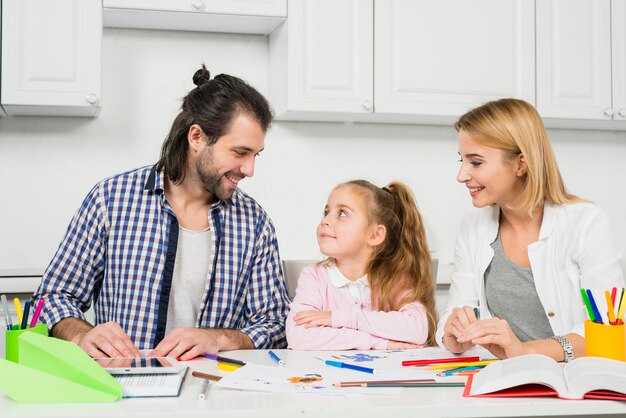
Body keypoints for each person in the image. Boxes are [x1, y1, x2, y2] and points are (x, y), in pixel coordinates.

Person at [34, 65, 290, 360]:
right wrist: (82, 335)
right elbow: (52, 297)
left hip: (216, 392)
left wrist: (218, 338)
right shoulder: (110, 200)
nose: (249, 169)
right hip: (123, 389)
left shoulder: (254, 223)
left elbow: (274, 323)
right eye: (240, 152)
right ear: (196, 137)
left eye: (255, 155)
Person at [437, 98, 625, 361]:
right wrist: (452, 333)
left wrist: (525, 351)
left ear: (520, 164)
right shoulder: (473, 227)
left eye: (476, 162)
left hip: (571, 380)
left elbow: (609, 327)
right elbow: (457, 309)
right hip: (498, 379)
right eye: (462, 160)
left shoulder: (586, 222)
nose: (461, 175)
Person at [286, 180, 437, 350]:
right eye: (326, 212)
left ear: (375, 235)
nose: (325, 221)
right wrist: (379, 343)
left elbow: (417, 329)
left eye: (342, 213)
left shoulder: (393, 278)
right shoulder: (314, 277)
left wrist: (338, 318)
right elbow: (298, 336)